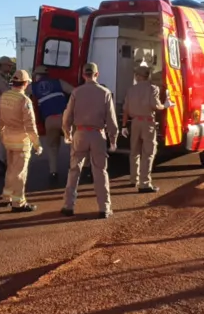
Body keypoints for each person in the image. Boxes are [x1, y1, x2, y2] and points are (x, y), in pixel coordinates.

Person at [61, 62, 118, 219]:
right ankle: (104, 208)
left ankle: (68, 206)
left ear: (83, 75)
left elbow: (67, 116)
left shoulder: (76, 92)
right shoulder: (105, 92)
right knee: (100, 171)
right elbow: (111, 120)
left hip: (80, 134)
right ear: (96, 74)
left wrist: (67, 133)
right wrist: (113, 139)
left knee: (74, 170)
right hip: (98, 134)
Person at [121, 64, 172, 193]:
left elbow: (125, 109)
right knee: (148, 153)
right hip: (147, 123)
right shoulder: (152, 88)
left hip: (135, 123)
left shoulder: (130, 90)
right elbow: (155, 105)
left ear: (138, 76)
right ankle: (144, 183)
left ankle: (133, 179)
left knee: (134, 152)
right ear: (147, 76)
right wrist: (165, 105)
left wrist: (124, 125)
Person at [0, 69, 42, 212]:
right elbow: (30, 126)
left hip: (8, 139)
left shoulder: (4, 96)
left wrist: (3, 134)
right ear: (25, 83)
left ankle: (7, 197)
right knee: (20, 172)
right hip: (21, 141)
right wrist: (37, 144)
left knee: (10, 169)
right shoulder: (24, 100)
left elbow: (0, 119)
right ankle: (19, 203)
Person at [32, 65, 74, 183]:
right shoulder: (58, 82)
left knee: (52, 147)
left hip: (49, 120)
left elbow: (21, 93)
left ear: (37, 76)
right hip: (64, 117)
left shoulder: (34, 87)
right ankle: (74, 169)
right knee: (73, 145)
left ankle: (53, 172)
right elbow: (74, 91)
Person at [0, 56, 14, 176]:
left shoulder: (2, 77)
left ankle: (3, 161)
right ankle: (2, 161)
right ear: (2, 65)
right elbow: (7, 93)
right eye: (9, 65)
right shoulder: (0, 78)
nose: (10, 67)